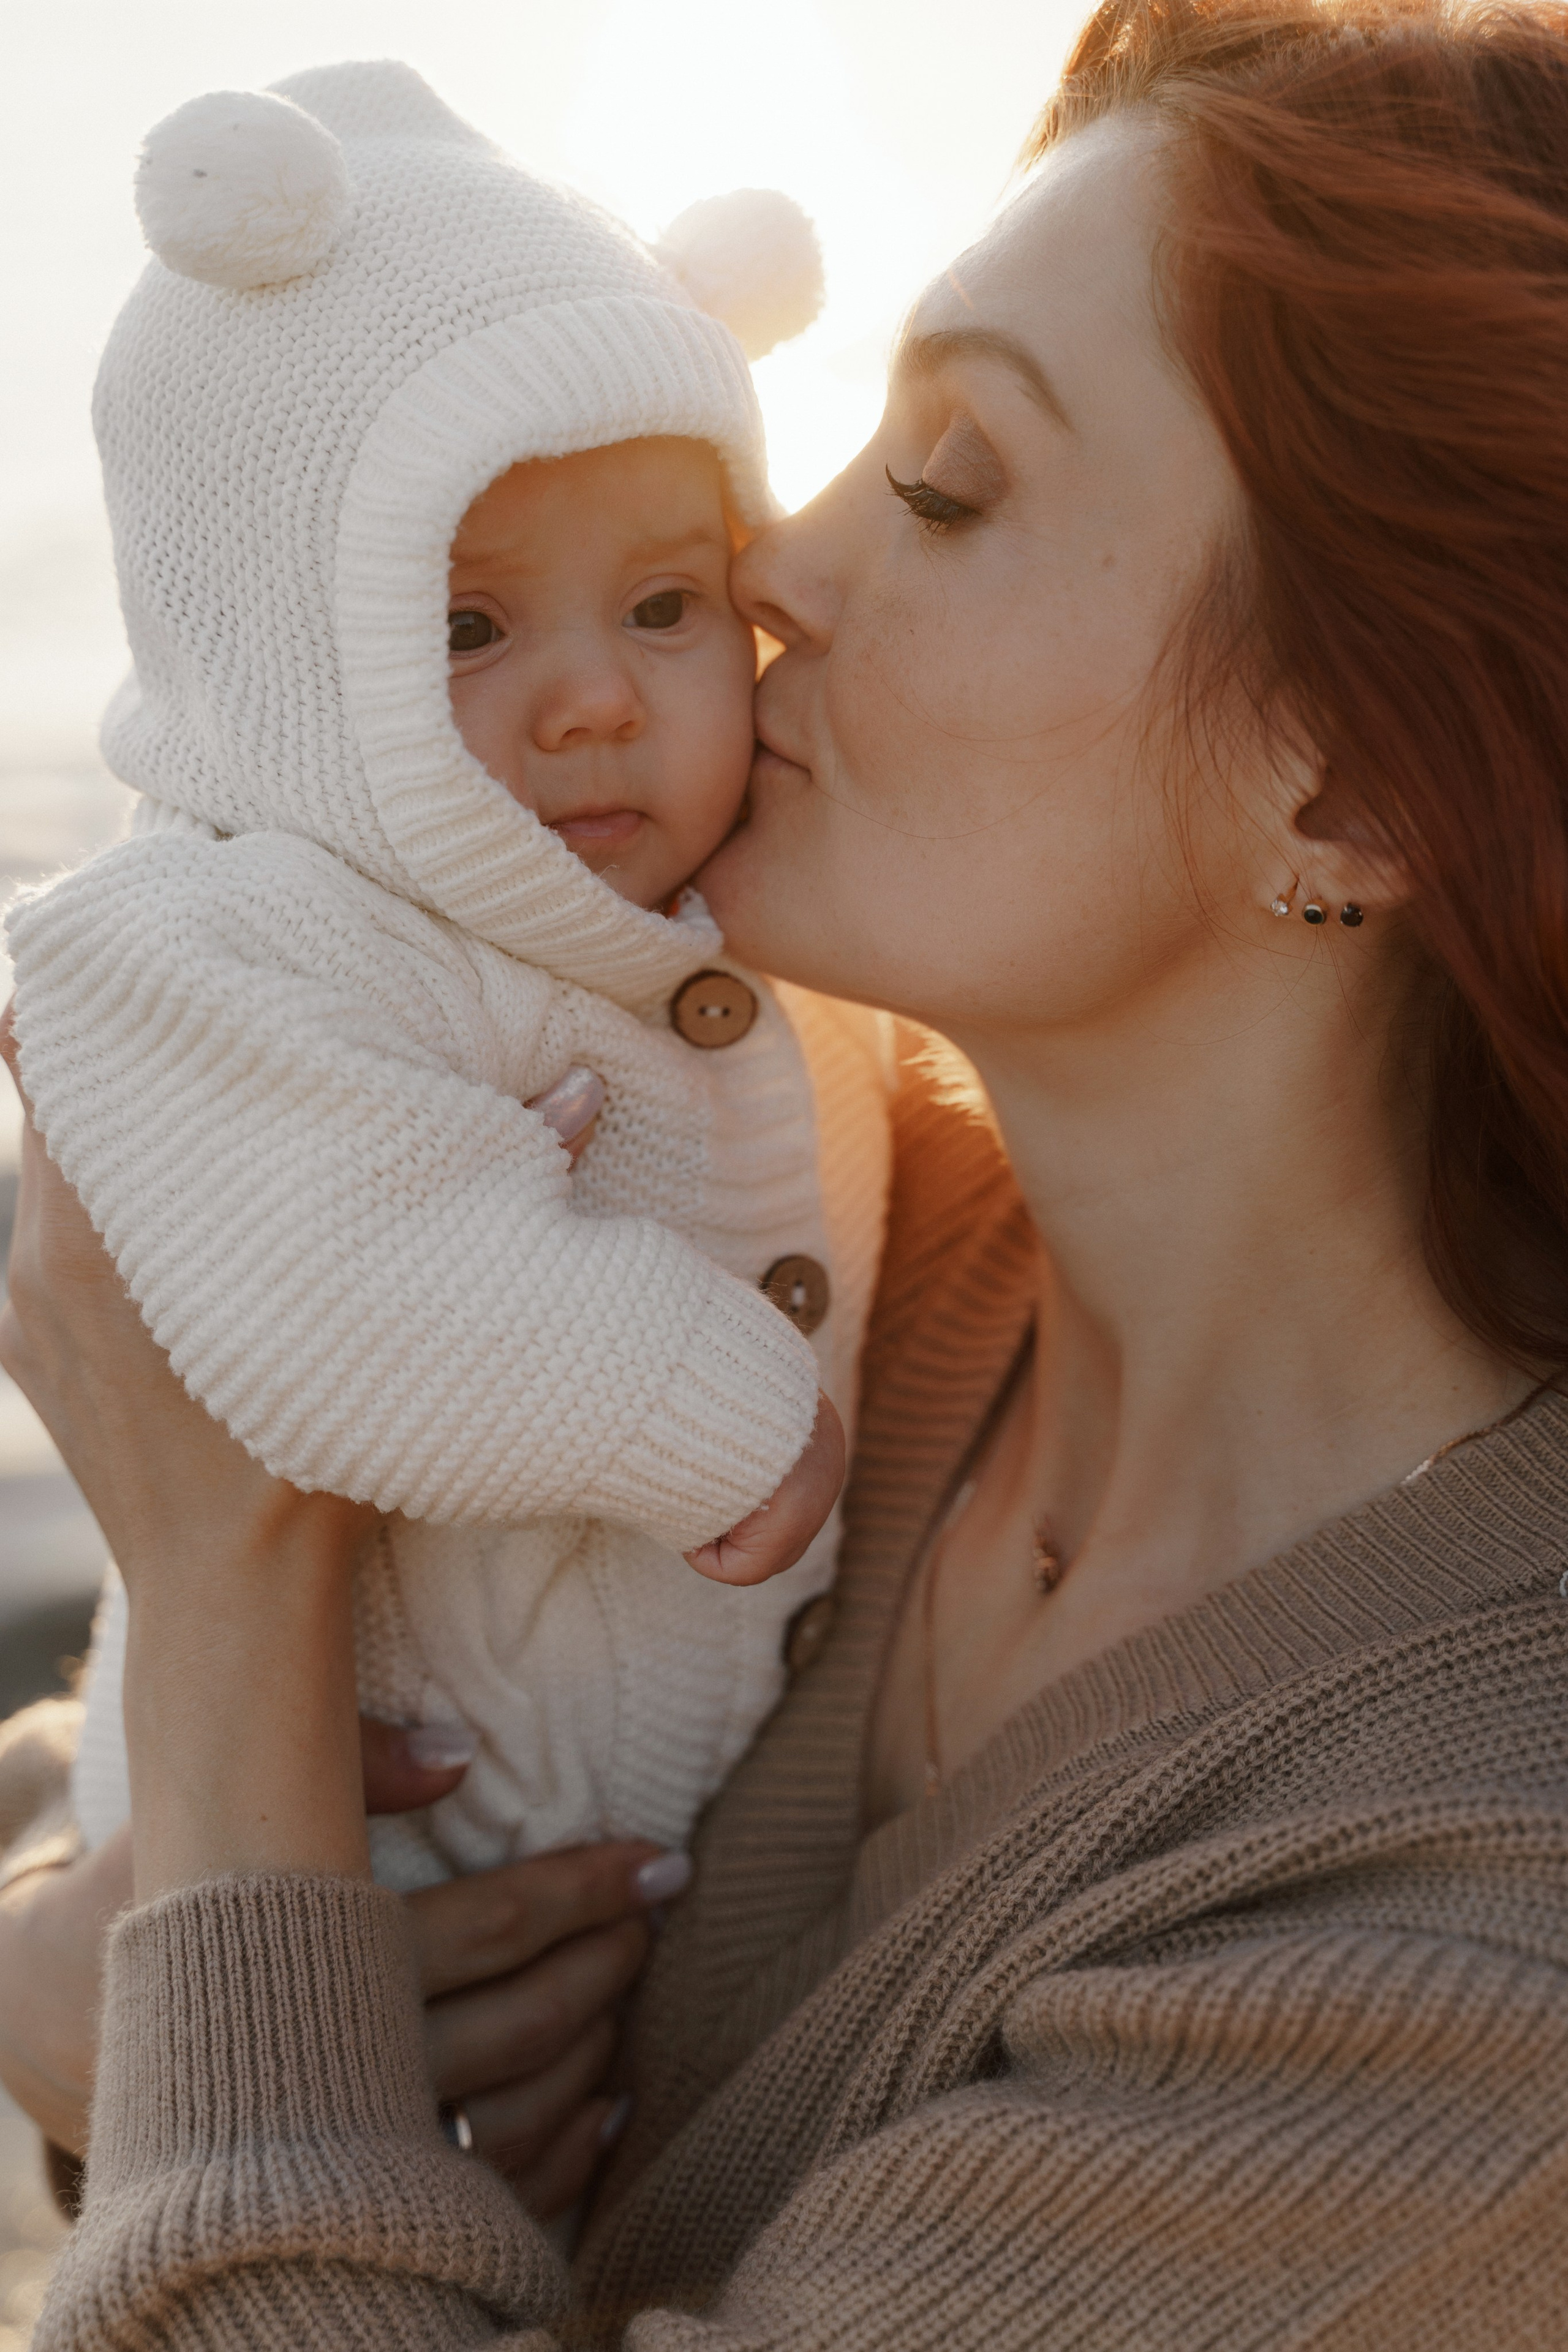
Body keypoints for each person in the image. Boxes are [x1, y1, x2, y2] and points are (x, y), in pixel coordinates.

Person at [7, 0, 1568, 2339]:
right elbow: (353, 1688)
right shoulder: (853, 1224)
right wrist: (61, 1967)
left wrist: (233, 1673)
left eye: (946, 484)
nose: (771, 564)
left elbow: (242, 1781)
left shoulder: (1465, 1954)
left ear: (1343, 792)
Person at [5, 59, 878, 1900]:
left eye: (667, 606)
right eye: (465, 627)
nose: (595, 698)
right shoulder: (228, 933)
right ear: (277, 653)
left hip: (624, 1869)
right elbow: (346, 1271)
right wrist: (714, 1410)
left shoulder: (766, 909)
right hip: (356, 1851)